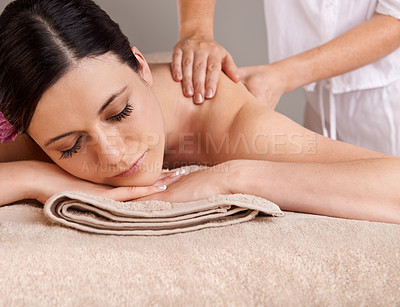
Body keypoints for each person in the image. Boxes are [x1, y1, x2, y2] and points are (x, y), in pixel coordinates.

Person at [0, 0, 399, 225]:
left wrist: (234, 176)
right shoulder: (40, 118)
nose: (112, 155)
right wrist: (34, 176)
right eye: (71, 147)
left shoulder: (227, 122)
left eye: (120, 113)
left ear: (140, 64)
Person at [173, 0, 400, 155]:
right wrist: (196, 30)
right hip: (318, 103)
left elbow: (395, 18)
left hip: (389, 102)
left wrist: (282, 76)